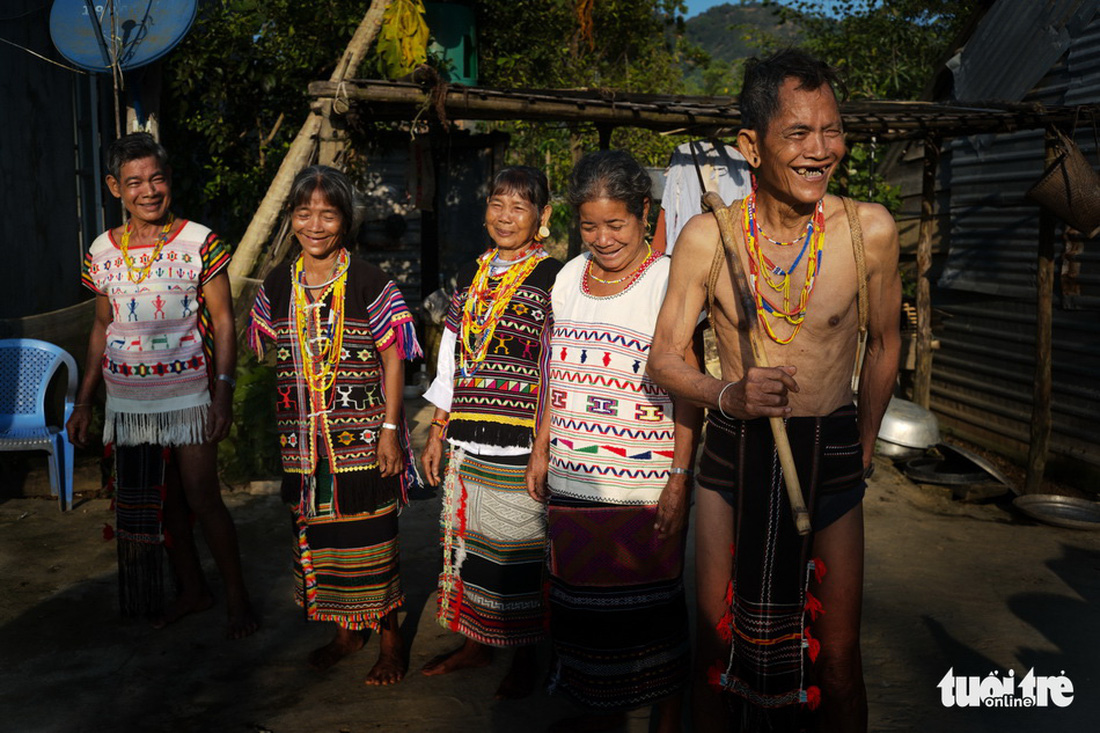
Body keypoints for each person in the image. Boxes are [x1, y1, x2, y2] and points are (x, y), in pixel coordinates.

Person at [647, 49, 901, 733]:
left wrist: (866, 444)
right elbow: (664, 358)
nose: (823, 150)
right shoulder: (708, 237)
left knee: (839, 658)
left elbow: (885, 343)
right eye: (799, 133)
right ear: (751, 147)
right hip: (733, 452)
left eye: (833, 130)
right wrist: (727, 394)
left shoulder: (867, 229)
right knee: (717, 650)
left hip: (833, 451)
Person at [525, 150, 703, 733]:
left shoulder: (669, 281)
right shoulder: (567, 279)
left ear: (645, 214)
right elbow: (555, 369)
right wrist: (540, 445)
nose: (602, 238)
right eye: (590, 225)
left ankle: (666, 722)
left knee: (654, 618)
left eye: (616, 224)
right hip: (574, 478)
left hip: (645, 486)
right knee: (580, 612)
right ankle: (598, 716)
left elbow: (688, 392)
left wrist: (679, 480)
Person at [66, 132, 257, 638]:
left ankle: (239, 601)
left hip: (190, 394)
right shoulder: (102, 250)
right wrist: (85, 401)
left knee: (201, 496)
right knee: (162, 501)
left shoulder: (199, 240)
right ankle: (193, 591)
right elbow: (101, 326)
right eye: (134, 182)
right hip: (128, 402)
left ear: (169, 180)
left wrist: (223, 392)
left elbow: (223, 321)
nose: (148, 190)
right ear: (114, 187)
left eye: (156, 178)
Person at [248, 165, 420, 685]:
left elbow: (395, 357)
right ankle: (346, 632)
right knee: (321, 541)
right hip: (303, 448)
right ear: (292, 218)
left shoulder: (370, 281)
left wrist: (390, 429)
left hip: (363, 440)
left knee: (373, 539)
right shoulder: (279, 283)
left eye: (328, 214)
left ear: (345, 220)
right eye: (304, 213)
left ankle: (390, 644)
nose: (315, 225)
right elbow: (268, 347)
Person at [421, 166, 563, 699]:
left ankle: (525, 654)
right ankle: (478, 642)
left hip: (522, 438)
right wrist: (438, 429)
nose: (505, 217)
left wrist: (546, 445)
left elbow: (559, 365)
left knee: (521, 548)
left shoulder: (555, 278)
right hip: (467, 436)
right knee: (470, 543)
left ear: (542, 217)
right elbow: (449, 362)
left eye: (519, 207)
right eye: (497, 203)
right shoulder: (473, 276)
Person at [652, 139, 752, 254]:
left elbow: (746, 202)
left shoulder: (737, 158)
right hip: (700, 239)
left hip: (713, 241)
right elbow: (670, 201)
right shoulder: (683, 154)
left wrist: (671, 245)